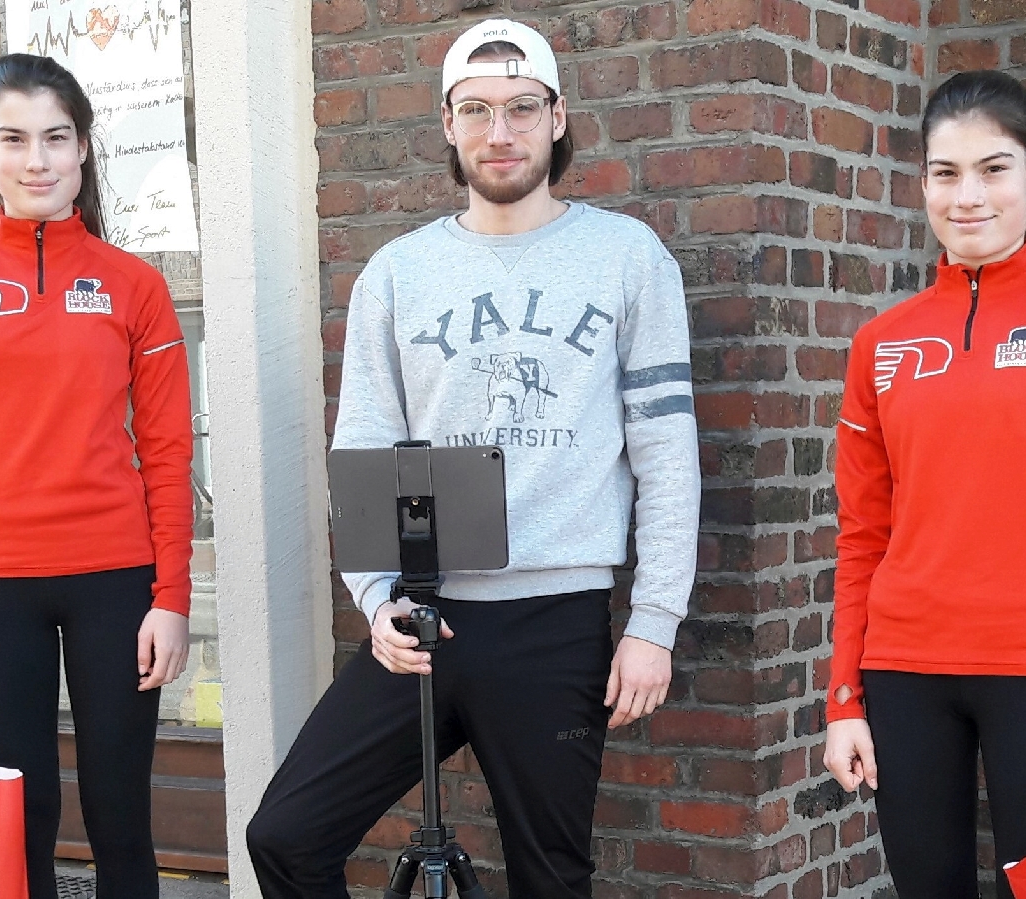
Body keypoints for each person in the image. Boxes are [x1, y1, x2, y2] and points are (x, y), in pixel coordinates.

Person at [244, 18, 699, 899]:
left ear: (558, 116)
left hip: (554, 621)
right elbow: (366, 448)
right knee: (287, 834)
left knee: (550, 877)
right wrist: (376, 599)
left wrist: (653, 622)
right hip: (422, 617)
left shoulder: (626, 259)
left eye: (522, 107)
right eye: (478, 110)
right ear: (448, 125)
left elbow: (666, 451)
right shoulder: (398, 273)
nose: (501, 131)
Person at [821, 69, 1026, 899]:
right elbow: (861, 536)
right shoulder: (881, 343)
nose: (968, 196)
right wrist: (843, 697)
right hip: (904, 673)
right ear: (923, 182)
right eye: (946, 173)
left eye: (994, 168)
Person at [0, 53, 193, 899]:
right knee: (14, 819)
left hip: (116, 581)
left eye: (56, 138)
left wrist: (170, 595)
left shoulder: (135, 287)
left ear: (85, 149)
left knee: (119, 818)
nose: (38, 159)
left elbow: (169, 453)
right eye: (16, 138)